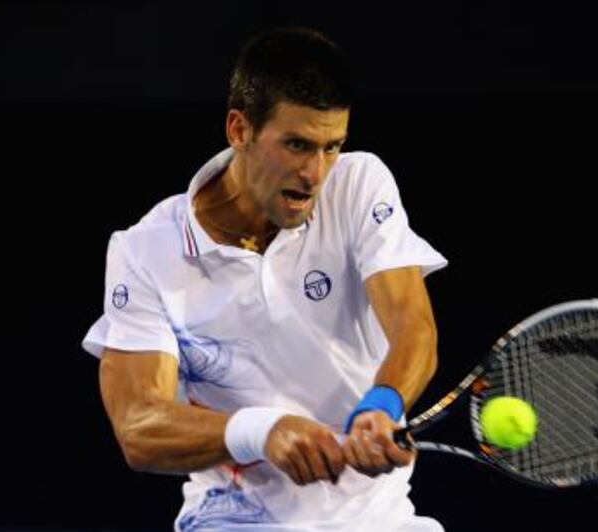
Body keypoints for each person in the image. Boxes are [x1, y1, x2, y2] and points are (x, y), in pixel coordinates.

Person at [83, 27, 447, 531]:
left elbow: (414, 328)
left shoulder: (359, 185)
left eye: (332, 146)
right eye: (297, 144)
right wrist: (262, 430)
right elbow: (139, 426)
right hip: (235, 520)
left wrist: (382, 403)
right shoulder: (145, 251)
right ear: (239, 130)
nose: (316, 173)